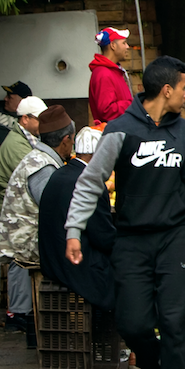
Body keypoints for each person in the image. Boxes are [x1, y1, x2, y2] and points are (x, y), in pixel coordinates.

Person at [66, 56, 185, 369]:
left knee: (175, 321)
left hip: (176, 237)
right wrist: (73, 231)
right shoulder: (120, 130)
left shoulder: (182, 132)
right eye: (183, 88)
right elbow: (90, 181)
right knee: (132, 323)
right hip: (131, 239)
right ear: (167, 90)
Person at [0, 104, 74, 345]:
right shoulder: (43, 167)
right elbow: (55, 213)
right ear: (66, 140)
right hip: (26, 242)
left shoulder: (41, 158)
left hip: (28, 235)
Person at [37, 114, 116, 314]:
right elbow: (103, 237)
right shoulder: (91, 183)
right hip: (76, 265)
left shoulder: (59, 174)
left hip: (51, 260)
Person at [0, 96, 46, 196]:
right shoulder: (16, 144)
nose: (44, 124)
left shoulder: (29, 137)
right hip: (14, 207)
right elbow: (36, 180)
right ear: (25, 119)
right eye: (40, 119)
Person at [88, 28, 137, 126]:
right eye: (124, 43)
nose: (127, 47)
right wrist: (134, 104)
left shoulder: (113, 71)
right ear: (113, 46)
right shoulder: (103, 74)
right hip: (114, 136)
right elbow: (107, 111)